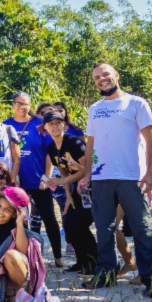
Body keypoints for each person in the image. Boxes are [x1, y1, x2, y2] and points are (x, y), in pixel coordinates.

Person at [80, 63, 152, 298]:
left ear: (116, 76)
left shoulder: (136, 103)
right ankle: (106, 274)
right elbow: (91, 144)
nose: (101, 79)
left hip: (132, 177)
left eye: (106, 74)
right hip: (101, 178)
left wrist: (150, 172)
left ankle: (151, 278)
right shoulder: (94, 109)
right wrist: (88, 173)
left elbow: (151, 139)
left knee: (142, 228)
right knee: (104, 229)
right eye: (97, 77)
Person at [4, 92, 61, 267]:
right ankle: (23, 255)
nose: (22, 107)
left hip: (37, 180)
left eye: (26, 103)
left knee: (49, 218)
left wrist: (46, 177)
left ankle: (58, 257)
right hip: (15, 181)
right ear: (13, 105)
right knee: (19, 219)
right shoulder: (5, 125)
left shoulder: (39, 124)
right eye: (19, 103)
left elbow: (49, 154)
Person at [43, 111, 96, 274]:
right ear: (45, 127)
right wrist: (68, 196)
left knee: (80, 225)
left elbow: (87, 171)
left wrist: (60, 182)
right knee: (69, 226)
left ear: (64, 125)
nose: (55, 126)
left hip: (91, 189)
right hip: (75, 190)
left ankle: (93, 262)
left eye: (58, 123)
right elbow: (64, 172)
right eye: (51, 124)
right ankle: (81, 261)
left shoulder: (74, 142)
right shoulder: (52, 148)